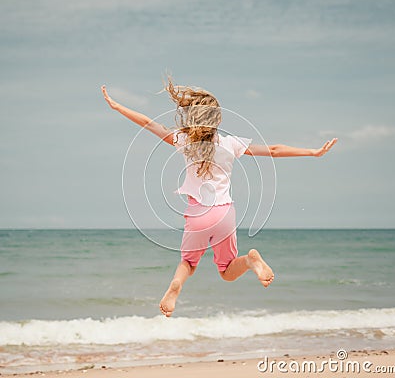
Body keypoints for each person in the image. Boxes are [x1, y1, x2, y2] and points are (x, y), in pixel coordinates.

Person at [101, 78, 337, 317]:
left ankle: (176, 286)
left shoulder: (183, 141)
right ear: (218, 120)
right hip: (224, 214)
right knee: (226, 271)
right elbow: (274, 150)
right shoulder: (231, 144)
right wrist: (312, 152)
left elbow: (149, 123)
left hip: (198, 215)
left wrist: (117, 106)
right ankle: (250, 261)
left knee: (189, 263)